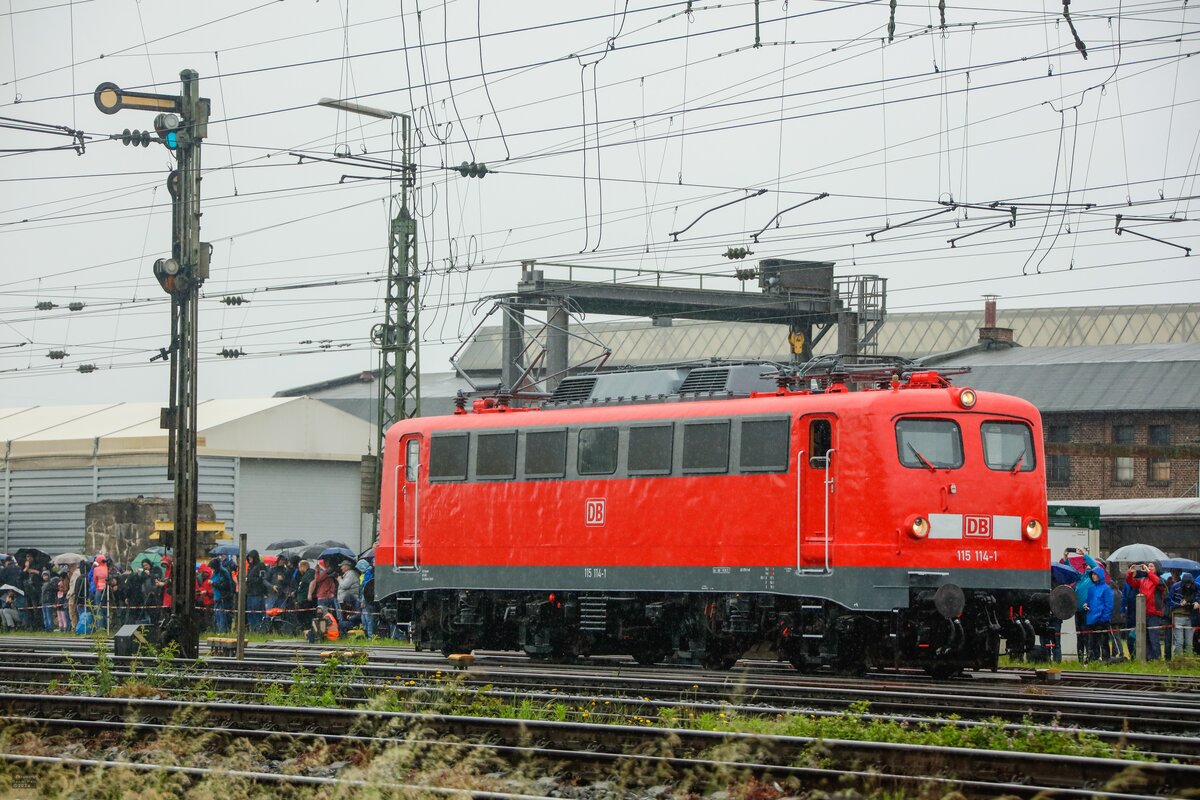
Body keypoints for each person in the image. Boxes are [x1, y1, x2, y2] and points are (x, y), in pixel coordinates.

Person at [1126, 561, 1163, 659]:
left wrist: (1149, 572)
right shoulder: (1143, 580)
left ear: (1157, 568)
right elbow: (1131, 582)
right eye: (1148, 566)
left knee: (1153, 638)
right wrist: (1130, 573)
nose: (1149, 568)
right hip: (1143, 613)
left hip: (1154, 614)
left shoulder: (1160, 580)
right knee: (1144, 638)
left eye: (1152, 566)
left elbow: (1157, 582)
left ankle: (1157, 659)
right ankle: (1148, 659)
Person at [1083, 565, 1113, 662]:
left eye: (1095, 574)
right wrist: (1085, 605)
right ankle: (1093, 660)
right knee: (1091, 642)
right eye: (1092, 574)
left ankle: (1106, 660)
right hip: (1091, 619)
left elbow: (1109, 605)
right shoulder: (1091, 588)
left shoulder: (1106, 589)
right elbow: (1088, 600)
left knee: (1104, 642)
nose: (1093, 576)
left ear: (1100, 575)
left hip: (1101, 620)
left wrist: (1103, 618)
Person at [1168, 572, 1199, 657]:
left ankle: (1189, 661)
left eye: (1189, 583)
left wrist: (1198, 602)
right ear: (1183, 582)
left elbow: (1198, 596)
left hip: (1191, 618)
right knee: (1179, 642)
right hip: (1178, 616)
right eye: (1186, 583)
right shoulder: (1175, 586)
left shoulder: (1196, 586)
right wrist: (1179, 604)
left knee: (1189, 643)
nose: (1188, 585)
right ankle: (1179, 661)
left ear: (1192, 582)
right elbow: (1168, 600)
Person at [244, 551, 268, 632]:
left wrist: (250, 579)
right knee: (250, 613)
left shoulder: (260, 566)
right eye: (248, 557)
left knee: (257, 613)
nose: (249, 558)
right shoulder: (250, 567)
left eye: (251, 557)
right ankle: (253, 630)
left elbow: (263, 579)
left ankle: (260, 630)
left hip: (257, 593)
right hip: (250, 593)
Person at [210, 557, 234, 633]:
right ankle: (218, 631)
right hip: (216, 596)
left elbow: (224, 586)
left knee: (222, 616)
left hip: (223, 597)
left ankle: (223, 631)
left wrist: (213, 583)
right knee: (217, 615)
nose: (212, 569)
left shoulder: (223, 572)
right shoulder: (215, 572)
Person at [335, 560, 360, 629]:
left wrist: (339, 579)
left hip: (350, 601)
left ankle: (348, 630)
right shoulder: (347, 574)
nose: (341, 568)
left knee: (347, 617)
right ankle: (346, 630)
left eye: (342, 566)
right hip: (346, 600)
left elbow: (345, 585)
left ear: (347, 566)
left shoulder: (351, 574)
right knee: (345, 617)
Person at [294, 559, 315, 634]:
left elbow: (312, 582)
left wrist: (309, 594)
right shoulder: (304, 575)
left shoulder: (310, 572)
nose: (299, 569)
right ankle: (304, 630)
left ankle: (308, 630)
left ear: (304, 566)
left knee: (305, 616)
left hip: (305, 599)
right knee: (300, 616)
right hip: (301, 599)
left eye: (299, 567)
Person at [196, 563, 214, 631]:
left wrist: (206, 592)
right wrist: (199, 591)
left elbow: (212, 590)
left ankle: (209, 630)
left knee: (208, 618)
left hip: (209, 602)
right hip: (205, 601)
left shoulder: (210, 579)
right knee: (205, 618)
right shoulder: (205, 579)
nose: (201, 574)